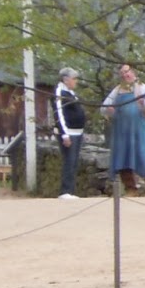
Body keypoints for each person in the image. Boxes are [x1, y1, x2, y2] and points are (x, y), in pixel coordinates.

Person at [101, 63, 145, 196]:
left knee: (144, 154)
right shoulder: (117, 91)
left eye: (127, 72)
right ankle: (130, 188)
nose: (125, 75)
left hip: (139, 129)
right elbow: (104, 107)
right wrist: (110, 110)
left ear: (134, 72)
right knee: (124, 157)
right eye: (122, 73)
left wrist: (144, 104)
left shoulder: (144, 87)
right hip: (122, 131)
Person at [52, 67, 88, 199]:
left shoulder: (71, 93)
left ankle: (71, 190)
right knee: (69, 160)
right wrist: (64, 134)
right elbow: (59, 114)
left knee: (74, 162)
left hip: (78, 132)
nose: (76, 82)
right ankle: (65, 191)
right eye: (74, 79)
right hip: (68, 132)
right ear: (66, 80)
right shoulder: (59, 92)